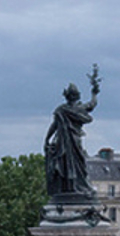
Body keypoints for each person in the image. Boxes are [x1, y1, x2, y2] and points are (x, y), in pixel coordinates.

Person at [45, 66, 100, 200]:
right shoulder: (77, 108)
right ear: (77, 96)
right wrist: (94, 93)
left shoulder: (61, 109)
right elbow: (92, 104)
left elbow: (54, 126)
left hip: (63, 142)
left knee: (67, 164)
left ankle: (70, 187)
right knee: (77, 164)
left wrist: (47, 139)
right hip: (73, 141)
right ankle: (75, 187)